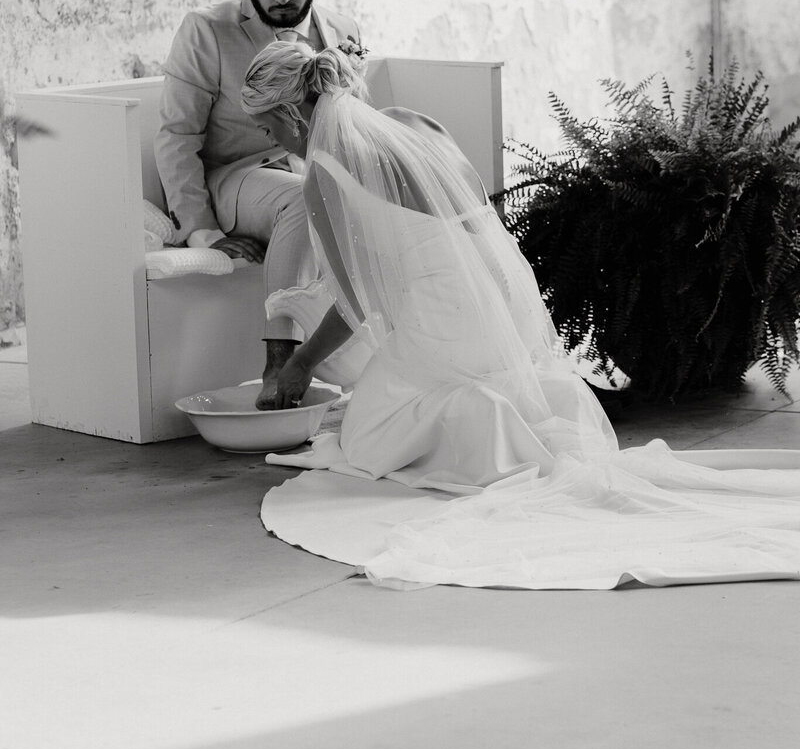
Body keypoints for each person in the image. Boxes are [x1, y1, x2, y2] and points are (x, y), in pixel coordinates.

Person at [239, 39, 800, 592]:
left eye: (269, 129)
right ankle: (494, 400)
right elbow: (476, 216)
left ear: (292, 111)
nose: (272, 143)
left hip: (447, 319)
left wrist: (302, 363)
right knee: (413, 396)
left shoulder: (324, 173)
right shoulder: (410, 122)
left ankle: (486, 416)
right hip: (500, 298)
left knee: (365, 435)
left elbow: (358, 297)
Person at [154, 0, 360, 406]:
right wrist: (203, 229)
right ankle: (278, 358)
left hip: (312, 171)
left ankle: (365, 370)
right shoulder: (206, 29)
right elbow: (176, 135)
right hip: (237, 178)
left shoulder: (343, 29)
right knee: (303, 198)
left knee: (346, 205)